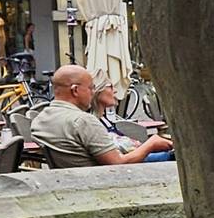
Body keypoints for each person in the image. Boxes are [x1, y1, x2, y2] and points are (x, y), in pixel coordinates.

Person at [30, 66, 178, 169]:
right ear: (75, 90)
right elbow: (117, 165)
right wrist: (150, 144)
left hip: (71, 182)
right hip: (102, 183)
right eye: (90, 88)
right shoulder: (82, 121)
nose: (93, 92)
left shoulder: (40, 119)